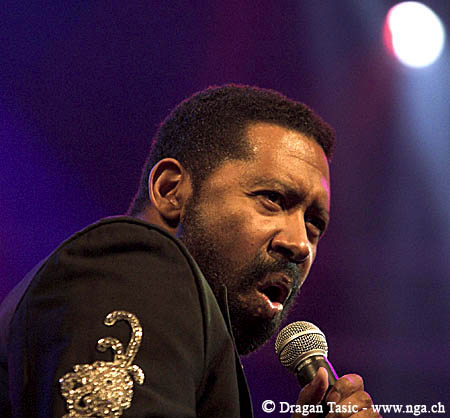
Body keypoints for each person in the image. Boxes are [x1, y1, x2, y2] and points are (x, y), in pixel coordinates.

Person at [0, 85, 380, 417]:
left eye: (314, 224)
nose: (299, 244)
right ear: (171, 190)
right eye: (272, 199)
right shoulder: (135, 263)